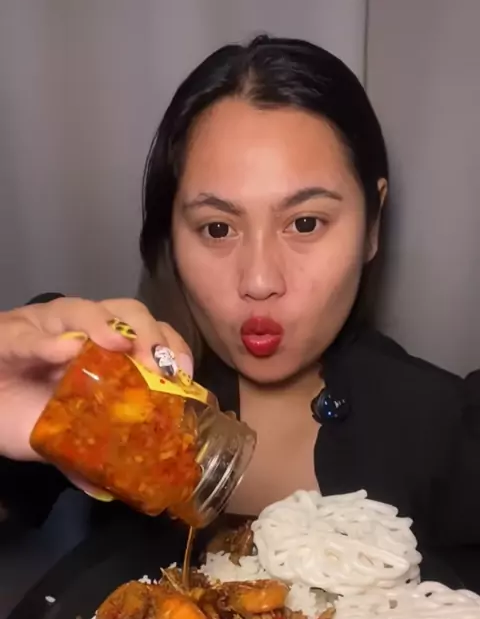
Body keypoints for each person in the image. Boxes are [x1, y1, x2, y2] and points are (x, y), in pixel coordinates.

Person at [0, 35, 479, 562]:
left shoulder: (447, 425)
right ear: (171, 235)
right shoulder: (93, 383)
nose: (258, 279)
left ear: (371, 223)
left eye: (305, 223)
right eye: (217, 228)